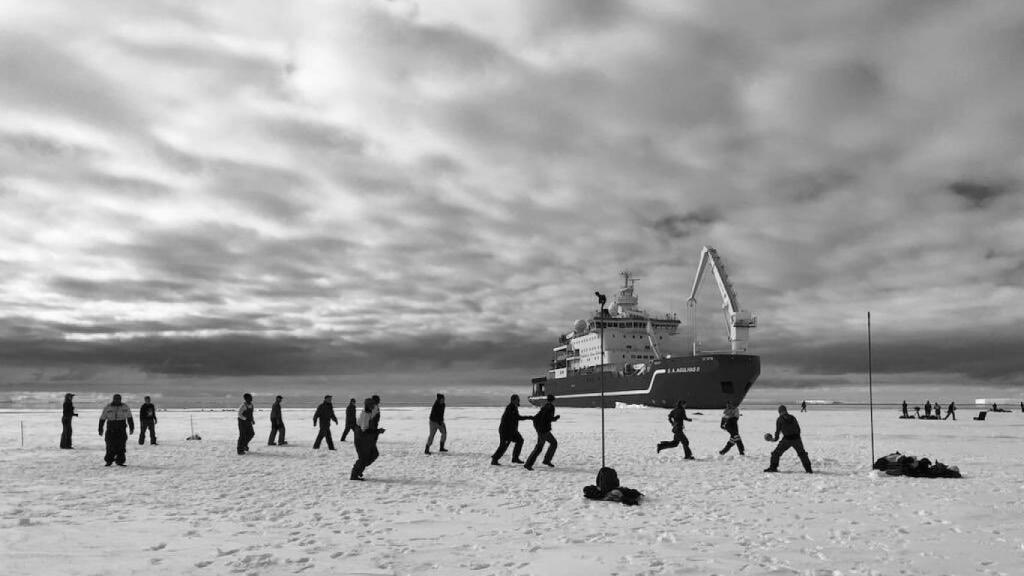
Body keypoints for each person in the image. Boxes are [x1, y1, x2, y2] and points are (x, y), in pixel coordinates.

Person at [764, 405, 812, 473]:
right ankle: (809, 469)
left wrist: (773, 439)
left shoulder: (780, 419)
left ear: (779, 412)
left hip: (787, 440)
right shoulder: (792, 417)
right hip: (797, 439)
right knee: (802, 454)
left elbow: (777, 432)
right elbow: (798, 429)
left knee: (776, 453)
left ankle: (773, 468)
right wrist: (797, 437)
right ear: (786, 410)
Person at [491, 394, 533, 465]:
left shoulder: (514, 407)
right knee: (503, 446)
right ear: (513, 400)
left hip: (512, 431)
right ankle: (494, 459)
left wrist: (529, 417)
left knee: (520, 440)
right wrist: (529, 417)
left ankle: (515, 458)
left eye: (518, 399)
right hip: (505, 431)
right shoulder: (510, 408)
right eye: (517, 399)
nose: (519, 400)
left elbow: (516, 417)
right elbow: (517, 417)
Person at [351, 397, 385, 480]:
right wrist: (377, 431)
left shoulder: (369, 411)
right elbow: (364, 430)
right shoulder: (366, 414)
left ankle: (359, 470)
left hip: (366, 437)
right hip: (361, 438)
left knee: (374, 454)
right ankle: (354, 475)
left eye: (374, 404)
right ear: (369, 406)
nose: (374, 406)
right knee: (363, 458)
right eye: (372, 405)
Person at [524, 394, 560, 470]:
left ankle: (546, 460)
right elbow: (548, 418)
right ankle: (528, 464)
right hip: (544, 430)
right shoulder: (551, 407)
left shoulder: (545, 406)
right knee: (540, 447)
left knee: (553, 443)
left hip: (542, 430)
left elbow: (538, 416)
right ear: (553, 400)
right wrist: (556, 418)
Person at [98, 394, 134, 466]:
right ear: (113, 399)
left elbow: (129, 418)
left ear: (120, 399)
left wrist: (131, 427)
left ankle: (120, 461)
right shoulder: (108, 407)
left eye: (119, 399)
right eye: (116, 399)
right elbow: (102, 419)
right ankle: (109, 461)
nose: (117, 400)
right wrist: (100, 429)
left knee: (121, 446)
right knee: (109, 446)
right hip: (111, 430)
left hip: (121, 430)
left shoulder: (125, 407)